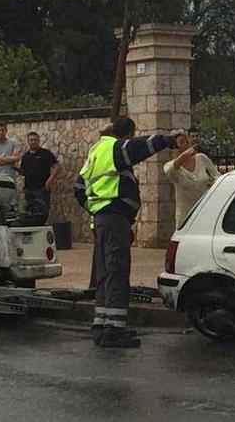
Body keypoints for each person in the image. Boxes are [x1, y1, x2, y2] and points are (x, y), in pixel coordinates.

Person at [74, 116, 176, 348]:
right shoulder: (115, 148)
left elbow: (78, 187)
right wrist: (168, 140)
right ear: (127, 134)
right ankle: (115, 329)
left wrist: (94, 208)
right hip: (114, 219)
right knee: (117, 272)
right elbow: (141, 147)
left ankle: (101, 326)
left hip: (101, 220)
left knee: (105, 274)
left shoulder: (95, 152)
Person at [164, 130, 220, 229]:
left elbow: (217, 176)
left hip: (206, 212)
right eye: (181, 142)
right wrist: (183, 156)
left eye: (186, 141)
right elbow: (171, 171)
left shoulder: (201, 158)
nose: (184, 145)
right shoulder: (170, 166)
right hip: (186, 216)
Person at [19, 132, 61, 224]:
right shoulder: (26, 156)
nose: (33, 142)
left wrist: (49, 181)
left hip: (42, 189)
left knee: (43, 213)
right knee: (30, 213)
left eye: (35, 140)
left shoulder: (46, 154)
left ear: (38, 141)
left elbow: (57, 167)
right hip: (29, 190)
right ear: (28, 142)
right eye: (31, 140)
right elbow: (23, 172)